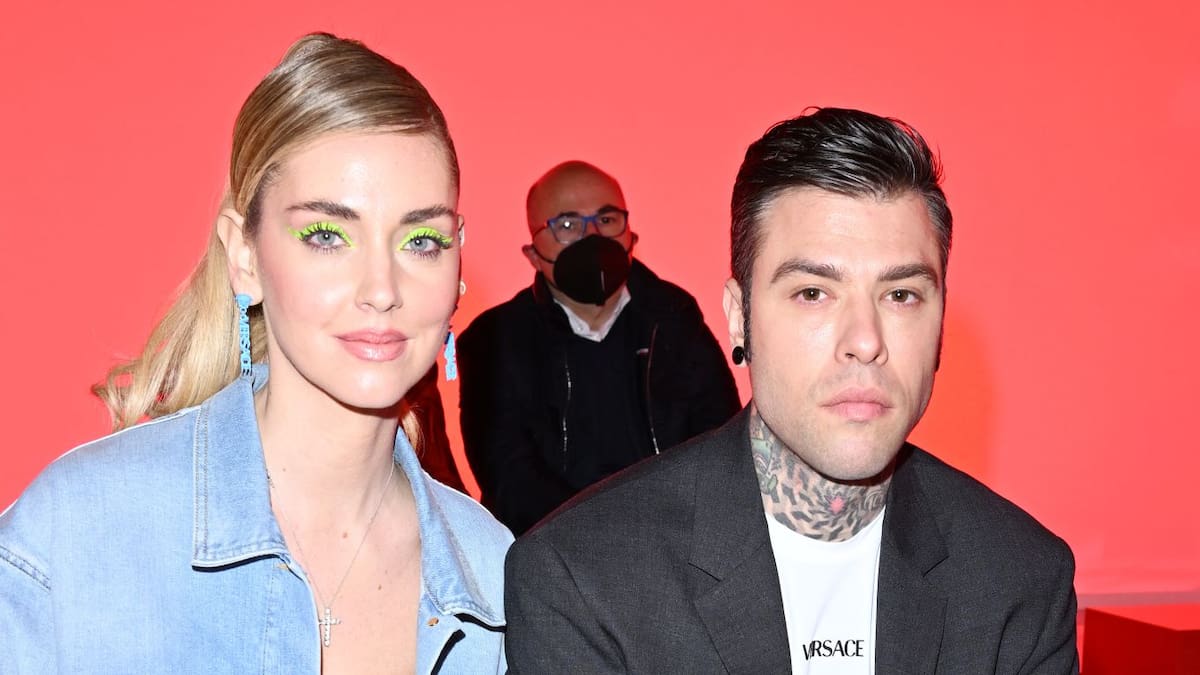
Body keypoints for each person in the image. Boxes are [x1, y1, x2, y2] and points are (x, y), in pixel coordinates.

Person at [0, 33, 511, 674]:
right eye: (327, 236)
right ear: (244, 256)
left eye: (421, 241)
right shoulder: (79, 534)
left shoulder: (496, 574)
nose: (382, 290)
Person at [505, 109, 1079, 673]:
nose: (865, 341)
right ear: (740, 318)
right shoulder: (582, 579)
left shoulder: (1020, 578)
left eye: (901, 295)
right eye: (813, 293)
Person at [457, 161, 741, 534]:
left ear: (631, 235)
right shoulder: (494, 340)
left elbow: (721, 447)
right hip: (554, 554)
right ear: (532, 253)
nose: (592, 237)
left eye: (607, 220)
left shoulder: (674, 317)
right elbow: (511, 483)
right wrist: (607, 539)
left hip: (675, 544)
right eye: (568, 225)